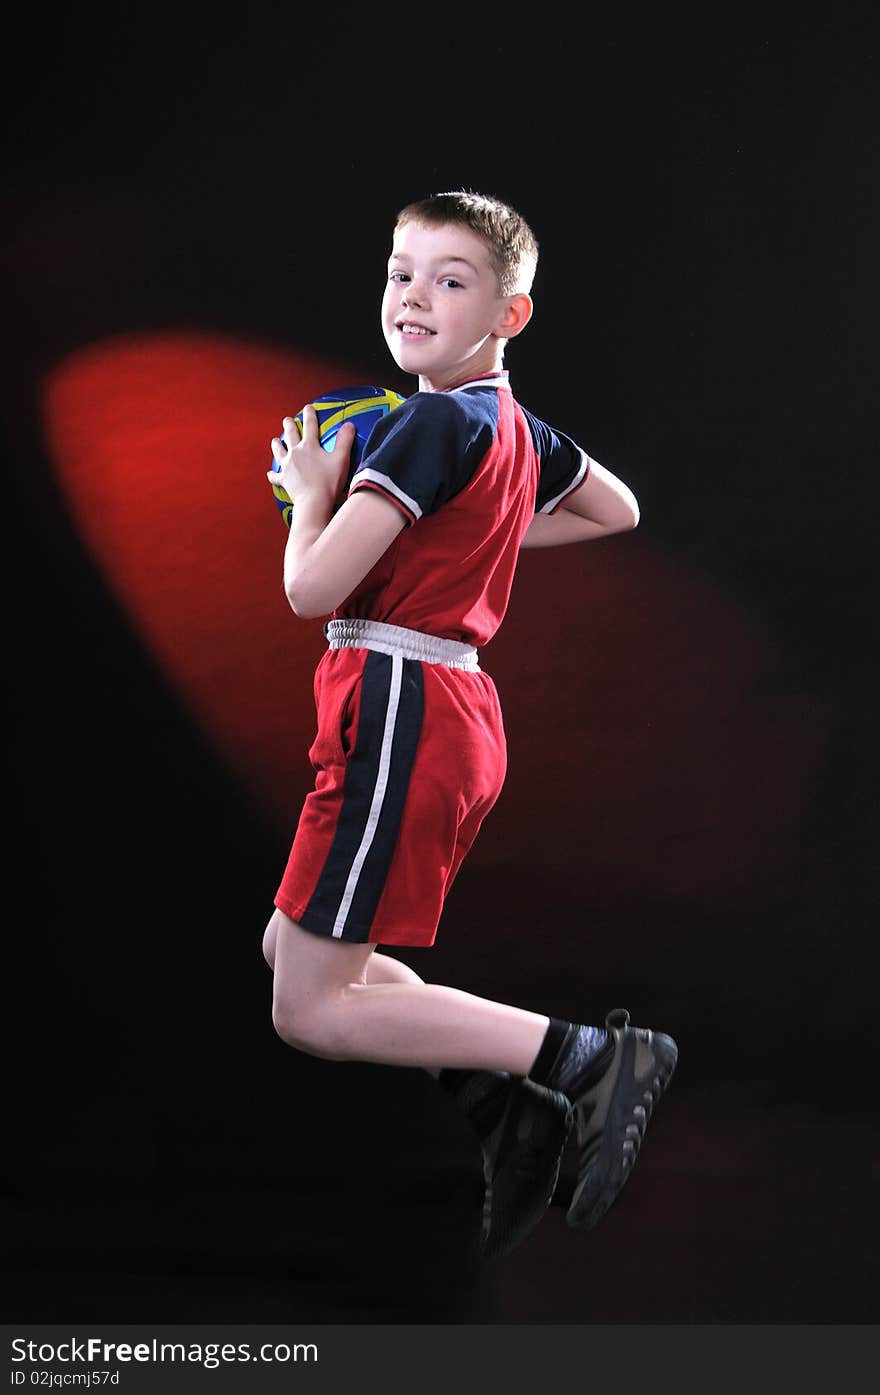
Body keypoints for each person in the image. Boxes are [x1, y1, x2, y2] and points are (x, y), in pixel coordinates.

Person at [262, 190, 677, 1259]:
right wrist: (478, 535)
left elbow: (311, 589)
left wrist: (313, 490)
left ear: (509, 313)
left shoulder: (430, 422)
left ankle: (583, 1059)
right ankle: (504, 1104)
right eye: (402, 272)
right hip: (438, 705)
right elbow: (615, 509)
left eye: (452, 281)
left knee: (308, 1010)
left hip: (402, 704)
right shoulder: (509, 427)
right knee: (292, 950)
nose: (416, 297)